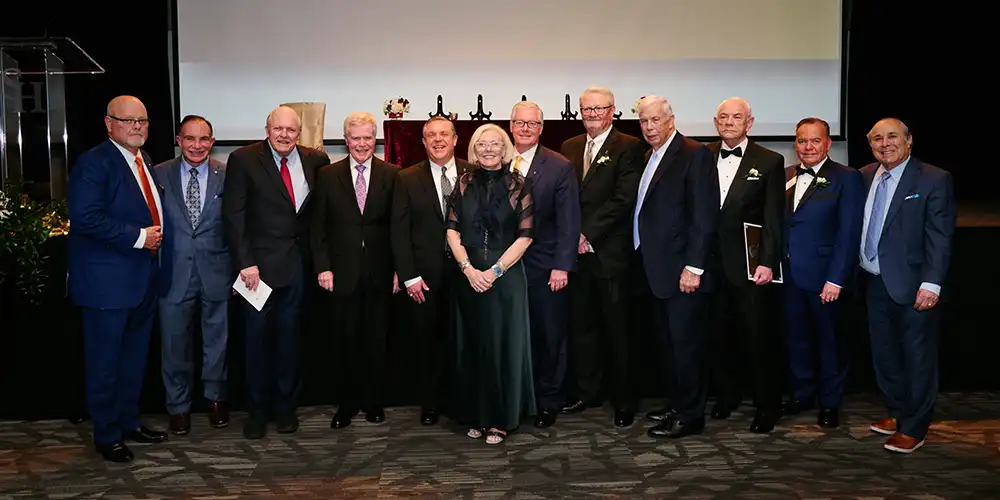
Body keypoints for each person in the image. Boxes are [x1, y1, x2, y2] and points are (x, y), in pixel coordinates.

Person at [67, 95, 169, 462]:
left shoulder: (143, 162)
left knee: (132, 361)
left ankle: (128, 422)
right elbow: (85, 218)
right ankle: (106, 434)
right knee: (105, 364)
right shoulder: (94, 164)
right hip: (106, 287)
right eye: (128, 121)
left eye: (142, 121)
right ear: (109, 123)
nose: (137, 127)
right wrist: (140, 237)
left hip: (141, 282)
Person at [222, 105, 330, 439]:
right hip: (257, 271)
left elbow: (317, 215)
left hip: (298, 266)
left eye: (291, 130)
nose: (284, 135)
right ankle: (256, 413)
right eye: (278, 129)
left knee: (290, 341)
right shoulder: (243, 159)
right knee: (257, 342)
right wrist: (244, 262)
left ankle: (286, 409)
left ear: (300, 133)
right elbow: (233, 215)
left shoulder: (316, 160)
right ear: (267, 129)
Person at [859, 118, 955, 453]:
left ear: (909, 140)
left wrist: (932, 284)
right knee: (885, 356)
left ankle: (916, 426)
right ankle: (898, 412)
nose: (884, 144)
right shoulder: (865, 174)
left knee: (917, 358)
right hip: (873, 281)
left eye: (892, 137)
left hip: (915, 286)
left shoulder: (933, 178)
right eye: (876, 139)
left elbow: (940, 238)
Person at [632, 95, 720, 439]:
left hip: (682, 272)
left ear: (670, 119)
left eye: (656, 120)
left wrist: (694, 267)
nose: (650, 127)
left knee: (686, 347)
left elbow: (704, 215)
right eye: (644, 121)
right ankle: (677, 405)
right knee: (669, 347)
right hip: (655, 270)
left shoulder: (693, 153)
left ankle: (691, 415)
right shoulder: (649, 155)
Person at [445, 123, 535, 445]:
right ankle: (477, 415)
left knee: (502, 348)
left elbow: (526, 237)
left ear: (505, 148)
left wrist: (494, 271)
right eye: (482, 144)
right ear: (473, 148)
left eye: (495, 144)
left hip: (506, 278)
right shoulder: (464, 182)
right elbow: (452, 230)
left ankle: (500, 419)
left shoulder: (519, 185)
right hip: (469, 277)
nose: (488, 149)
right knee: (473, 345)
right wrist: (468, 269)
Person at [558, 86, 642, 427]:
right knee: (583, 328)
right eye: (587, 109)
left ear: (612, 111)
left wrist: (586, 234)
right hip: (576, 257)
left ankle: (624, 400)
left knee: (618, 331)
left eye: (599, 109)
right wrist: (570, 238)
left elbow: (623, 200)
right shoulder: (570, 146)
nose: (592, 114)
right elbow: (565, 199)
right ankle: (587, 392)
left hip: (610, 255)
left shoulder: (630, 147)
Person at [312, 112, 399, 429]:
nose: (361, 144)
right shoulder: (327, 175)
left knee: (377, 342)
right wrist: (322, 267)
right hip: (341, 274)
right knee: (345, 342)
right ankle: (346, 405)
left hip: (381, 272)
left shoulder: (393, 174)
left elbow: (398, 228)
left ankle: (374, 403)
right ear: (346, 140)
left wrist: (399, 271)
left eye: (367, 138)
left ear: (374, 139)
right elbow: (318, 227)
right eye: (355, 138)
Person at [704, 97, 786, 433]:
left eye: (736, 117)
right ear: (715, 121)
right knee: (718, 336)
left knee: (758, 338)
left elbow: (773, 218)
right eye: (723, 117)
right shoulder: (702, 155)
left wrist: (767, 262)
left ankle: (768, 405)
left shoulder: (769, 160)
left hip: (750, 266)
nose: (729, 122)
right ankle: (726, 397)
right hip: (709, 264)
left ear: (749, 123)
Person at [782, 117, 864, 428]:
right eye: (802, 141)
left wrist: (836, 279)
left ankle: (830, 403)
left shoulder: (847, 177)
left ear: (828, 144)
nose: (808, 147)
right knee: (796, 340)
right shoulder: (787, 175)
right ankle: (803, 394)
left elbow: (848, 232)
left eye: (815, 140)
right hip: (789, 276)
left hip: (824, 279)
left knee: (829, 343)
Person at [391, 116, 474, 425]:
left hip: (469, 275)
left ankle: (464, 400)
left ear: (455, 140)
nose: (438, 140)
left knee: (466, 340)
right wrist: (409, 275)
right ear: (423, 142)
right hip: (424, 278)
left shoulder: (474, 172)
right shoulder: (406, 178)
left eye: (444, 134)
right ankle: (431, 403)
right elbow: (399, 232)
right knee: (428, 342)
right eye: (431, 136)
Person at [153, 115, 231, 435]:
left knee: (218, 343)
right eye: (190, 139)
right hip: (173, 272)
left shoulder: (228, 175)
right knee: (174, 345)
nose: (197, 146)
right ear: (178, 139)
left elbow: (237, 224)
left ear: (212, 142)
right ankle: (179, 407)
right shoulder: (157, 174)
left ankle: (216, 399)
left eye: (204, 139)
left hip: (217, 271)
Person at [509, 101, 581, 428]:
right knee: (514, 336)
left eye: (532, 124)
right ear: (510, 125)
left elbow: (569, 222)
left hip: (546, 266)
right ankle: (518, 397)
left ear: (541, 128)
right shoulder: (496, 160)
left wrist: (562, 266)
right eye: (520, 123)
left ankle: (549, 400)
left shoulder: (559, 166)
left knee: (550, 337)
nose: (525, 128)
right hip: (504, 269)